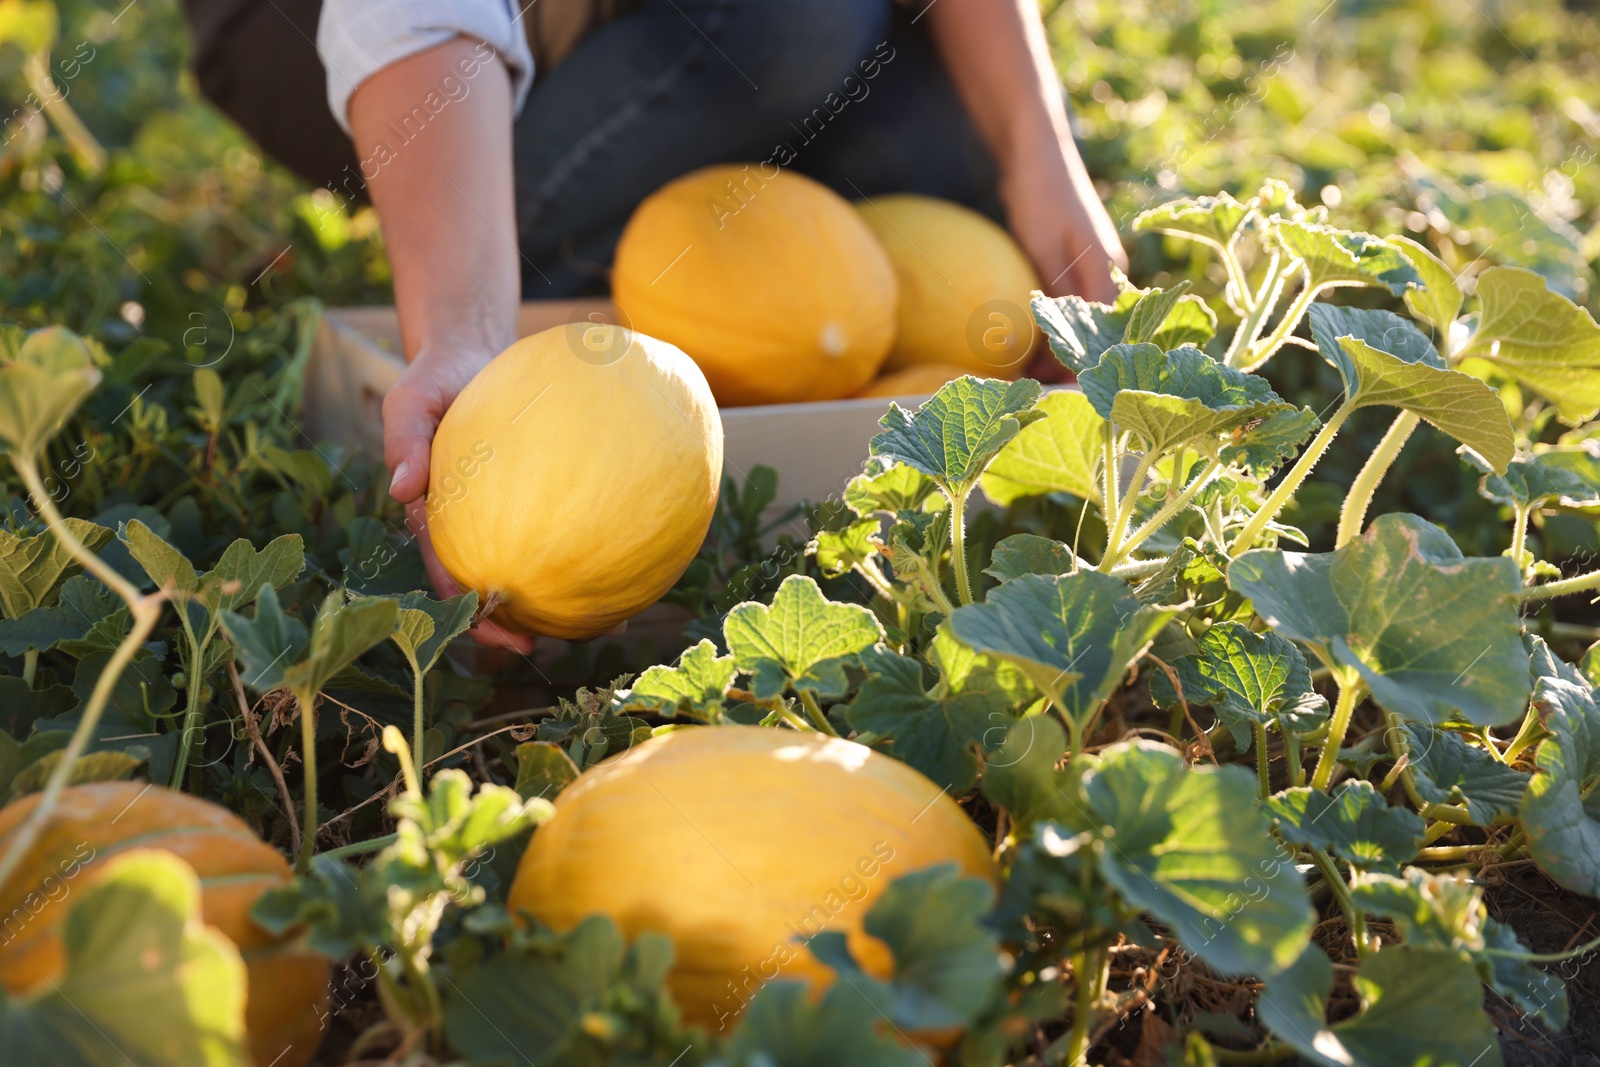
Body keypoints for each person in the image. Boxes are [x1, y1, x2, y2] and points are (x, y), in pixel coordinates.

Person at [184, 0, 1126, 650]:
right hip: (319, 31)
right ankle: (526, 223)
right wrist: (468, 326)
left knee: (934, 143)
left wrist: (1039, 152)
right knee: (800, 23)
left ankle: (659, 197)